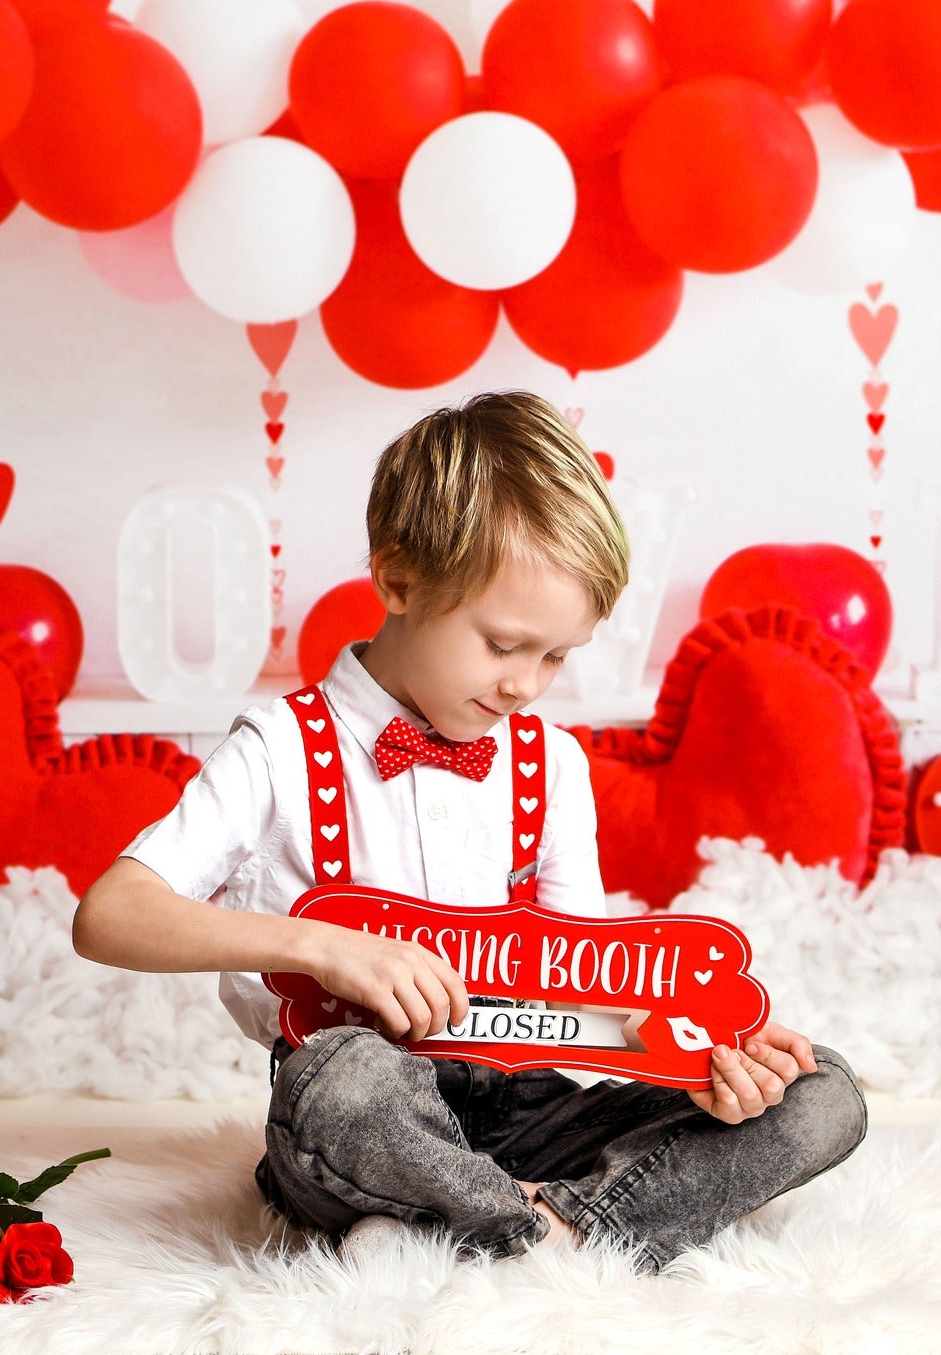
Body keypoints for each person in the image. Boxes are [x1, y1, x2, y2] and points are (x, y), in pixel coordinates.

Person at [73, 390, 867, 1274]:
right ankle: (558, 1224)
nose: (527, 684)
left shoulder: (550, 762)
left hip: (534, 1107)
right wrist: (322, 947)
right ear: (400, 580)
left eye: (556, 655)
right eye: (503, 644)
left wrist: (706, 1053)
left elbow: (594, 989)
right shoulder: (281, 748)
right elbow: (110, 913)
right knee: (337, 1081)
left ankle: (511, 1228)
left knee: (823, 1094)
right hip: (371, 1110)